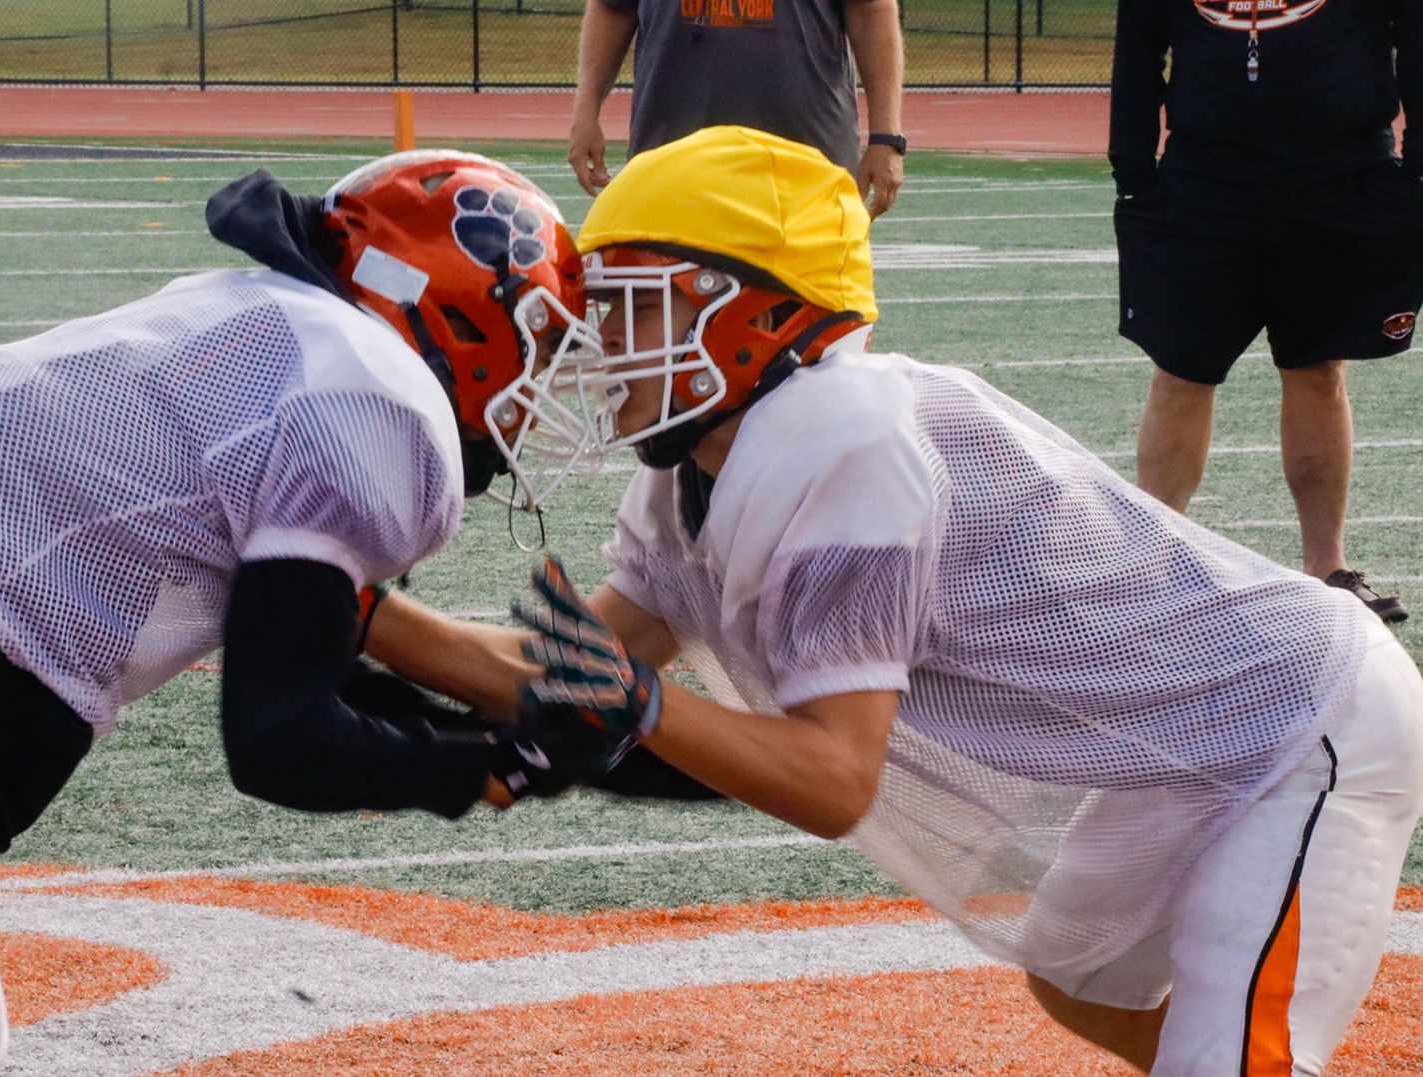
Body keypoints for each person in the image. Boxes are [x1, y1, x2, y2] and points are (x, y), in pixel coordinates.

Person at [375, 126, 1423, 1075]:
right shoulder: (699, 471)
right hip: (1190, 744)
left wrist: (643, 704)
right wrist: (365, 619)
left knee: (1230, 1059)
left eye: (636, 302)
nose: (607, 339)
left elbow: (833, 779)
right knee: (1085, 982)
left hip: (1308, 721)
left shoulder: (847, 440)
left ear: (757, 313)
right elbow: (562, 667)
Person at [0, 151, 639, 1077]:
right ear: (454, 310)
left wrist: (527, 727)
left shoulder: (287, 337)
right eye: (537, 343)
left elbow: (323, 647)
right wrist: (490, 767)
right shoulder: (367, 392)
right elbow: (280, 738)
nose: (537, 387)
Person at [1111, 0, 1423, 622]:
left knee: (1318, 370)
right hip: (1203, 183)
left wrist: (1417, 172)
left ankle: (1327, 568)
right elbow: (1138, 52)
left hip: (1340, 179)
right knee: (1180, 372)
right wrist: (1134, 174)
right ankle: (1151, 565)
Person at [563, 0, 906, 217]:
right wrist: (585, 109)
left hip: (804, 161)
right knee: (668, 305)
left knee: (806, 310)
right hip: (673, 159)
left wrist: (886, 138)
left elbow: (871, 11)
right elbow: (613, 9)